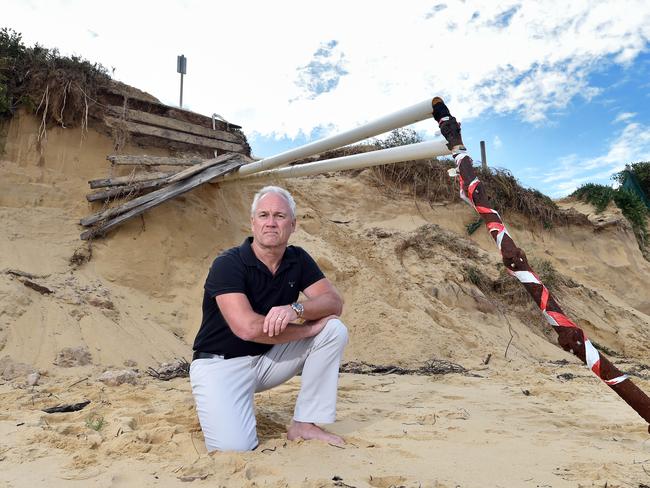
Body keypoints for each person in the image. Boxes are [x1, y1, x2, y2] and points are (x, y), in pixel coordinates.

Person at [189, 185, 349, 452]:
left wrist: (295, 309)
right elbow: (248, 328)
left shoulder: (297, 259)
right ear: (252, 222)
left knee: (333, 328)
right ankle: (222, 404)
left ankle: (305, 424)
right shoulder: (228, 263)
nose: (271, 223)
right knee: (235, 449)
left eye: (280, 216)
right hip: (221, 366)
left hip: (267, 361)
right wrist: (305, 331)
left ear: (293, 225)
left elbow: (334, 303)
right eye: (263, 215)